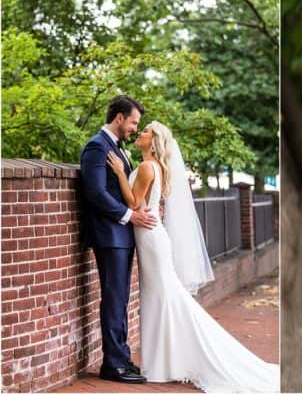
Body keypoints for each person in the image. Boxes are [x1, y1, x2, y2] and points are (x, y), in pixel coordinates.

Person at [106, 119, 279, 392]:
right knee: (159, 298)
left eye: (146, 130)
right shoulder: (155, 167)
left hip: (150, 239)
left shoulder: (147, 167)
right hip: (152, 237)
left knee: (162, 298)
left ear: (155, 140)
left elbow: (133, 203)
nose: (141, 132)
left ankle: (163, 364)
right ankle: (160, 364)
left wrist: (118, 173)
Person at [80, 95, 158, 385]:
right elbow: (96, 193)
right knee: (113, 299)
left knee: (120, 298)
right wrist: (130, 215)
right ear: (119, 118)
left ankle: (122, 357)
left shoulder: (118, 149)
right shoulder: (96, 147)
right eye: (133, 122)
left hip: (122, 236)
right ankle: (112, 364)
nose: (134, 128)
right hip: (109, 235)